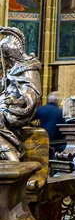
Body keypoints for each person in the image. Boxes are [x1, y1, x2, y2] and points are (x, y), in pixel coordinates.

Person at [0, 27, 42, 160]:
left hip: (17, 110)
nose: (7, 62)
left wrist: (13, 102)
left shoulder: (29, 69)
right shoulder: (12, 71)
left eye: (7, 58)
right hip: (5, 105)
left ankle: (13, 159)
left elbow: (31, 97)